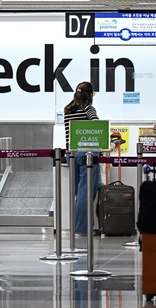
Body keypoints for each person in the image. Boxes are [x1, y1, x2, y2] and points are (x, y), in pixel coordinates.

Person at [64, 81, 100, 236]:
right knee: (86, 192)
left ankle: (81, 226)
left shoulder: (68, 109)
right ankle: (81, 229)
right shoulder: (88, 109)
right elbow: (97, 126)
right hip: (87, 154)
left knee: (79, 192)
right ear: (90, 95)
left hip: (71, 153)